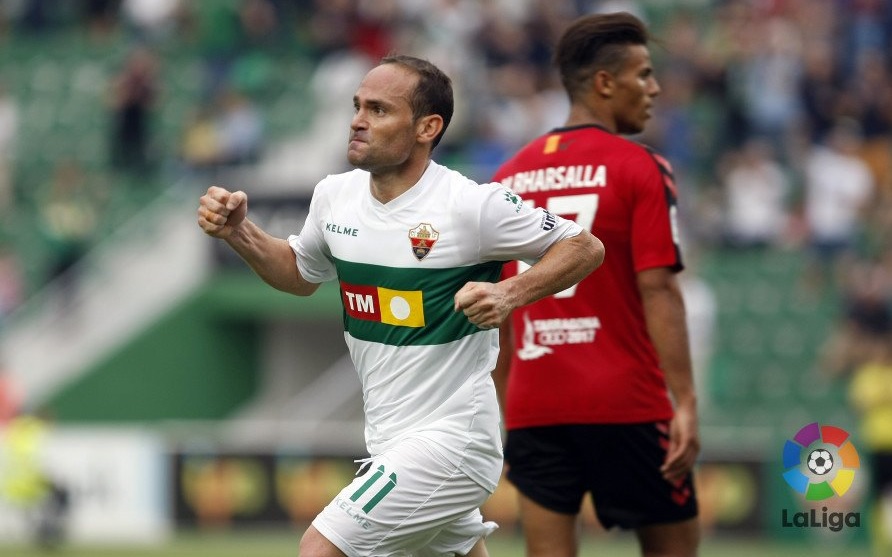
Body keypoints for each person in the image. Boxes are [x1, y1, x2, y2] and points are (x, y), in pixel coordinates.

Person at [198, 54, 604, 557]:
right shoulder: (334, 197)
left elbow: (584, 247)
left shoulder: (471, 206)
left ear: (427, 128)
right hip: (391, 440)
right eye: (356, 106)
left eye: (378, 109)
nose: (357, 120)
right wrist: (240, 233)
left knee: (319, 549)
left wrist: (507, 294)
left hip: (453, 442)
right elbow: (301, 276)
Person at [491, 12, 700, 557]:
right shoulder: (641, 166)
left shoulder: (506, 178)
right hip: (626, 403)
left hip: (533, 406)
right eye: (645, 74)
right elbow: (659, 290)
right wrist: (685, 402)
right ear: (606, 83)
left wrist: (500, 412)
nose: (654, 89)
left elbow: (499, 314)